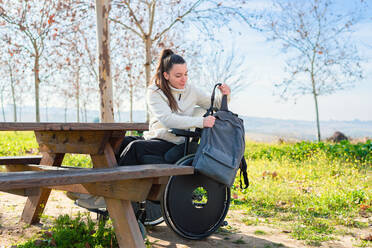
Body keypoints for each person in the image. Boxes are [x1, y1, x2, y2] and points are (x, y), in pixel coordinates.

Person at [74, 48, 231, 209]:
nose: (184, 79)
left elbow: (216, 105)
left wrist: (225, 95)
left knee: (135, 148)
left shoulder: (192, 90)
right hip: (156, 137)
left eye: (186, 74)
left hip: (175, 142)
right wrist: (201, 121)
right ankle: (94, 189)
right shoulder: (155, 91)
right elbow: (167, 119)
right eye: (178, 75)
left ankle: (109, 195)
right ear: (166, 75)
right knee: (117, 142)